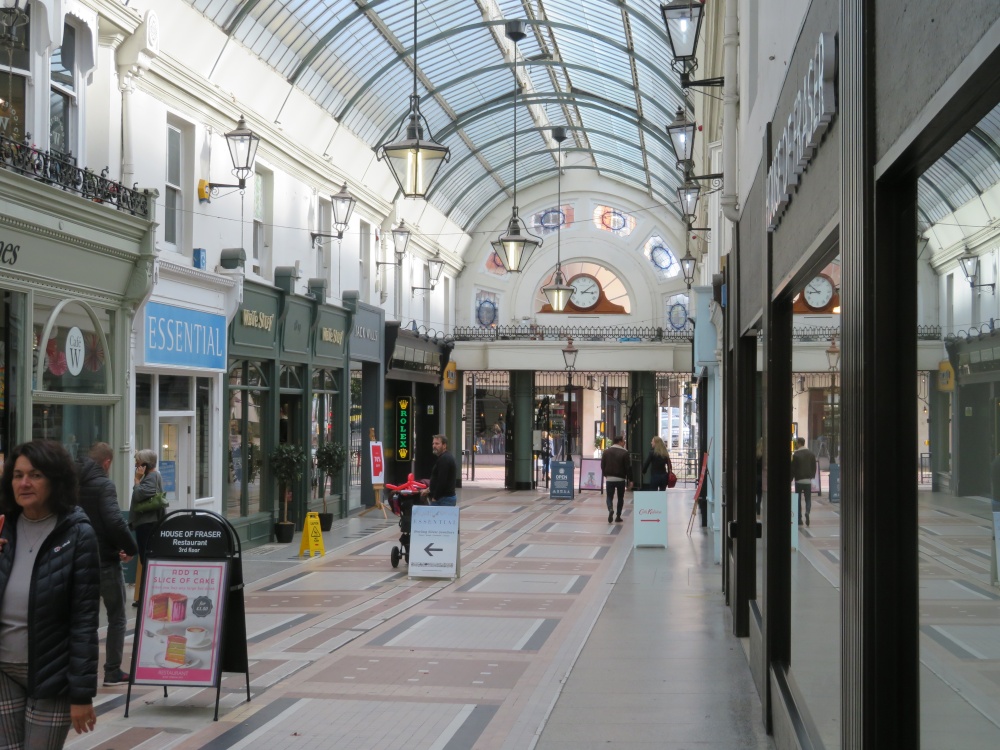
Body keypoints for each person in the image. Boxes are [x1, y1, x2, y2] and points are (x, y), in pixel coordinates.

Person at [0, 439, 101, 744]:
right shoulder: (3, 527)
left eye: (36, 475)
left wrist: (81, 694)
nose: (25, 483)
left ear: (55, 480)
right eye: (18, 475)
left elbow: (84, 621)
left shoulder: (78, 534)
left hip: (52, 673)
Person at [76, 442, 138, 687]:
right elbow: (113, 521)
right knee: (117, 616)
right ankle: (112, 671)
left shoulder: (72, 483)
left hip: (78, 561)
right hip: (104, 561)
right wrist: (130, 548)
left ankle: (83, 672)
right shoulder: (104, 485)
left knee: (83, 618)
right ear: (107, 462)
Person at [129, 449, 165, 564]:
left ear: (145, 463)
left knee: (146, 558)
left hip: (147, 524)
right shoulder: (153, 475)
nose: (136, 465)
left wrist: (137, 480)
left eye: (138, 462)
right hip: (148, 523)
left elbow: (138, 496)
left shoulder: (152, 477)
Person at [600, 435, 632, 523]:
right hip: (621, 479)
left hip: (609, 478)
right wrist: (630, 479)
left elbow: (602, 465)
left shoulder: (606, 452)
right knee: (620, 498)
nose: (624, 442)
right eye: (623, 441)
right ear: (620, 442)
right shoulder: (625, 453)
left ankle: (610, 509)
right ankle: (618, 516)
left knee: (609, 496)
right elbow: (628, 468)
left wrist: (606, 475)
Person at [421, 434, 457, 506]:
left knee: (435, 517)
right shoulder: (444, 457)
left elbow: (442, 480)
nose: (434, 446)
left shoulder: (444, 459)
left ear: (444, 445)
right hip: (444, 498)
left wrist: (435, 497)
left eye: (437, 444)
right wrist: (429, 490)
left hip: (443, 499)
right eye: (433, 443)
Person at [791, 437, 817, 526]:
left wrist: (791, 478)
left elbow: (793, 468)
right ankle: (807, 511)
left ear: (799, 443)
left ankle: (799, 519)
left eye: (796, 443)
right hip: (808, 481)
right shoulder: (811, 454)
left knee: (798, 500)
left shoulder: (796, 455)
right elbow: (814, 467)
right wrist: (811, 476)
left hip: (798, 480)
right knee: (808, 499)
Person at [755, 437, 764, 516]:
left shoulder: (756, 453)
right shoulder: (764, 455)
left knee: (756, 493)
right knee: (760, 495)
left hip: (755, 476)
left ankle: (756, 506)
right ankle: (758, 508)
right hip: (762, 477)